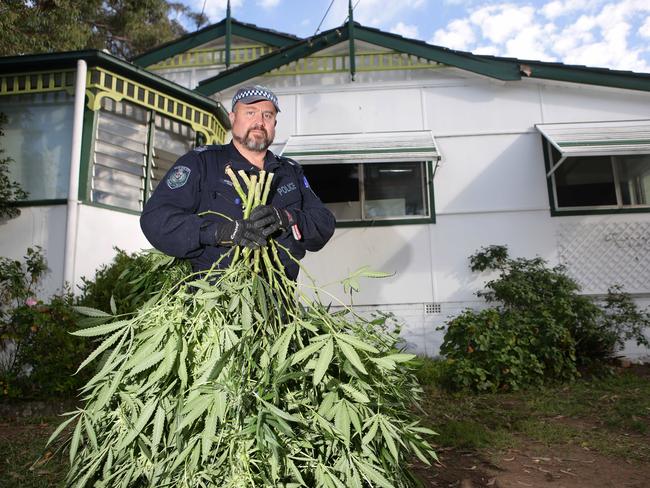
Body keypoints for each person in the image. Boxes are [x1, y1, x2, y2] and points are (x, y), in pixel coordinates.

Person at [140, 85, 335, 280]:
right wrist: (219, 232)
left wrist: (287, 217)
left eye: (267, 115)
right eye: (250, 113)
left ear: (274, 124)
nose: (259, 122)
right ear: (233, 118)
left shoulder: (289, 171)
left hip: (279, 303)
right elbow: (156, 219)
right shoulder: (202, 163)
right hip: (216, 300)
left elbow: (324, 223)